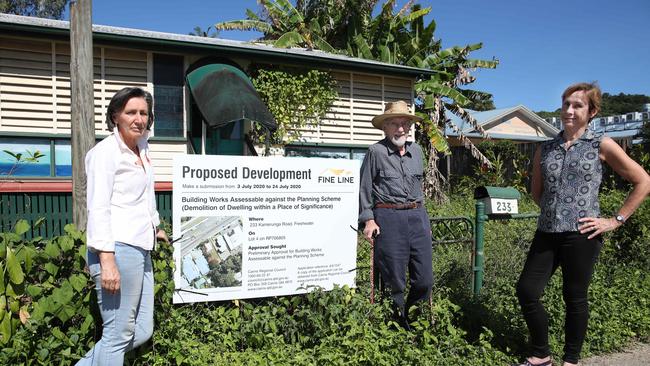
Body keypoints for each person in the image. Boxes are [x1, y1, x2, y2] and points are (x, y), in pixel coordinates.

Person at [514, 82, 650, 366]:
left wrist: (616, 220)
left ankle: (571, 360)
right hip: (547, 232)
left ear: (592, 112)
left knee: (574, 297)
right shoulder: (546, 148)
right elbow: (536, 192)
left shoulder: (601, 144)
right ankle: (541, 353)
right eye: (566, 104)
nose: (569, 111)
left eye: (577, 105)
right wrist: (555, 211)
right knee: (527, 290)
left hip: (582, 233)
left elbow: (643, 181)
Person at [78, 87, 169, 365]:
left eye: (143, 113)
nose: (139, 119)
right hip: (117, 249)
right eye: (131, 112)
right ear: (116, 115)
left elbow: (144, 196)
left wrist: (155, 226)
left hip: (141, 249)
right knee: (116, 336)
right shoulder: (105, 153)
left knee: (141, 330)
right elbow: (99, 207)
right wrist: (106, 260)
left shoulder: (142, 148)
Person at [359, 100, 433, 328]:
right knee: (395, 279)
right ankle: (398, 323)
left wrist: (424, 219)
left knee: (424, 280)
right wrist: (368, 219)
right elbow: (364, 188)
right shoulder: (375, 152)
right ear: (385, 127)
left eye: (405, 123)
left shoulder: (418, 151)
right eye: (394, 124)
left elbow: (419, 188)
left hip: (417, 216)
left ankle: (410, 314)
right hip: (389, 217)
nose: (401, 129)